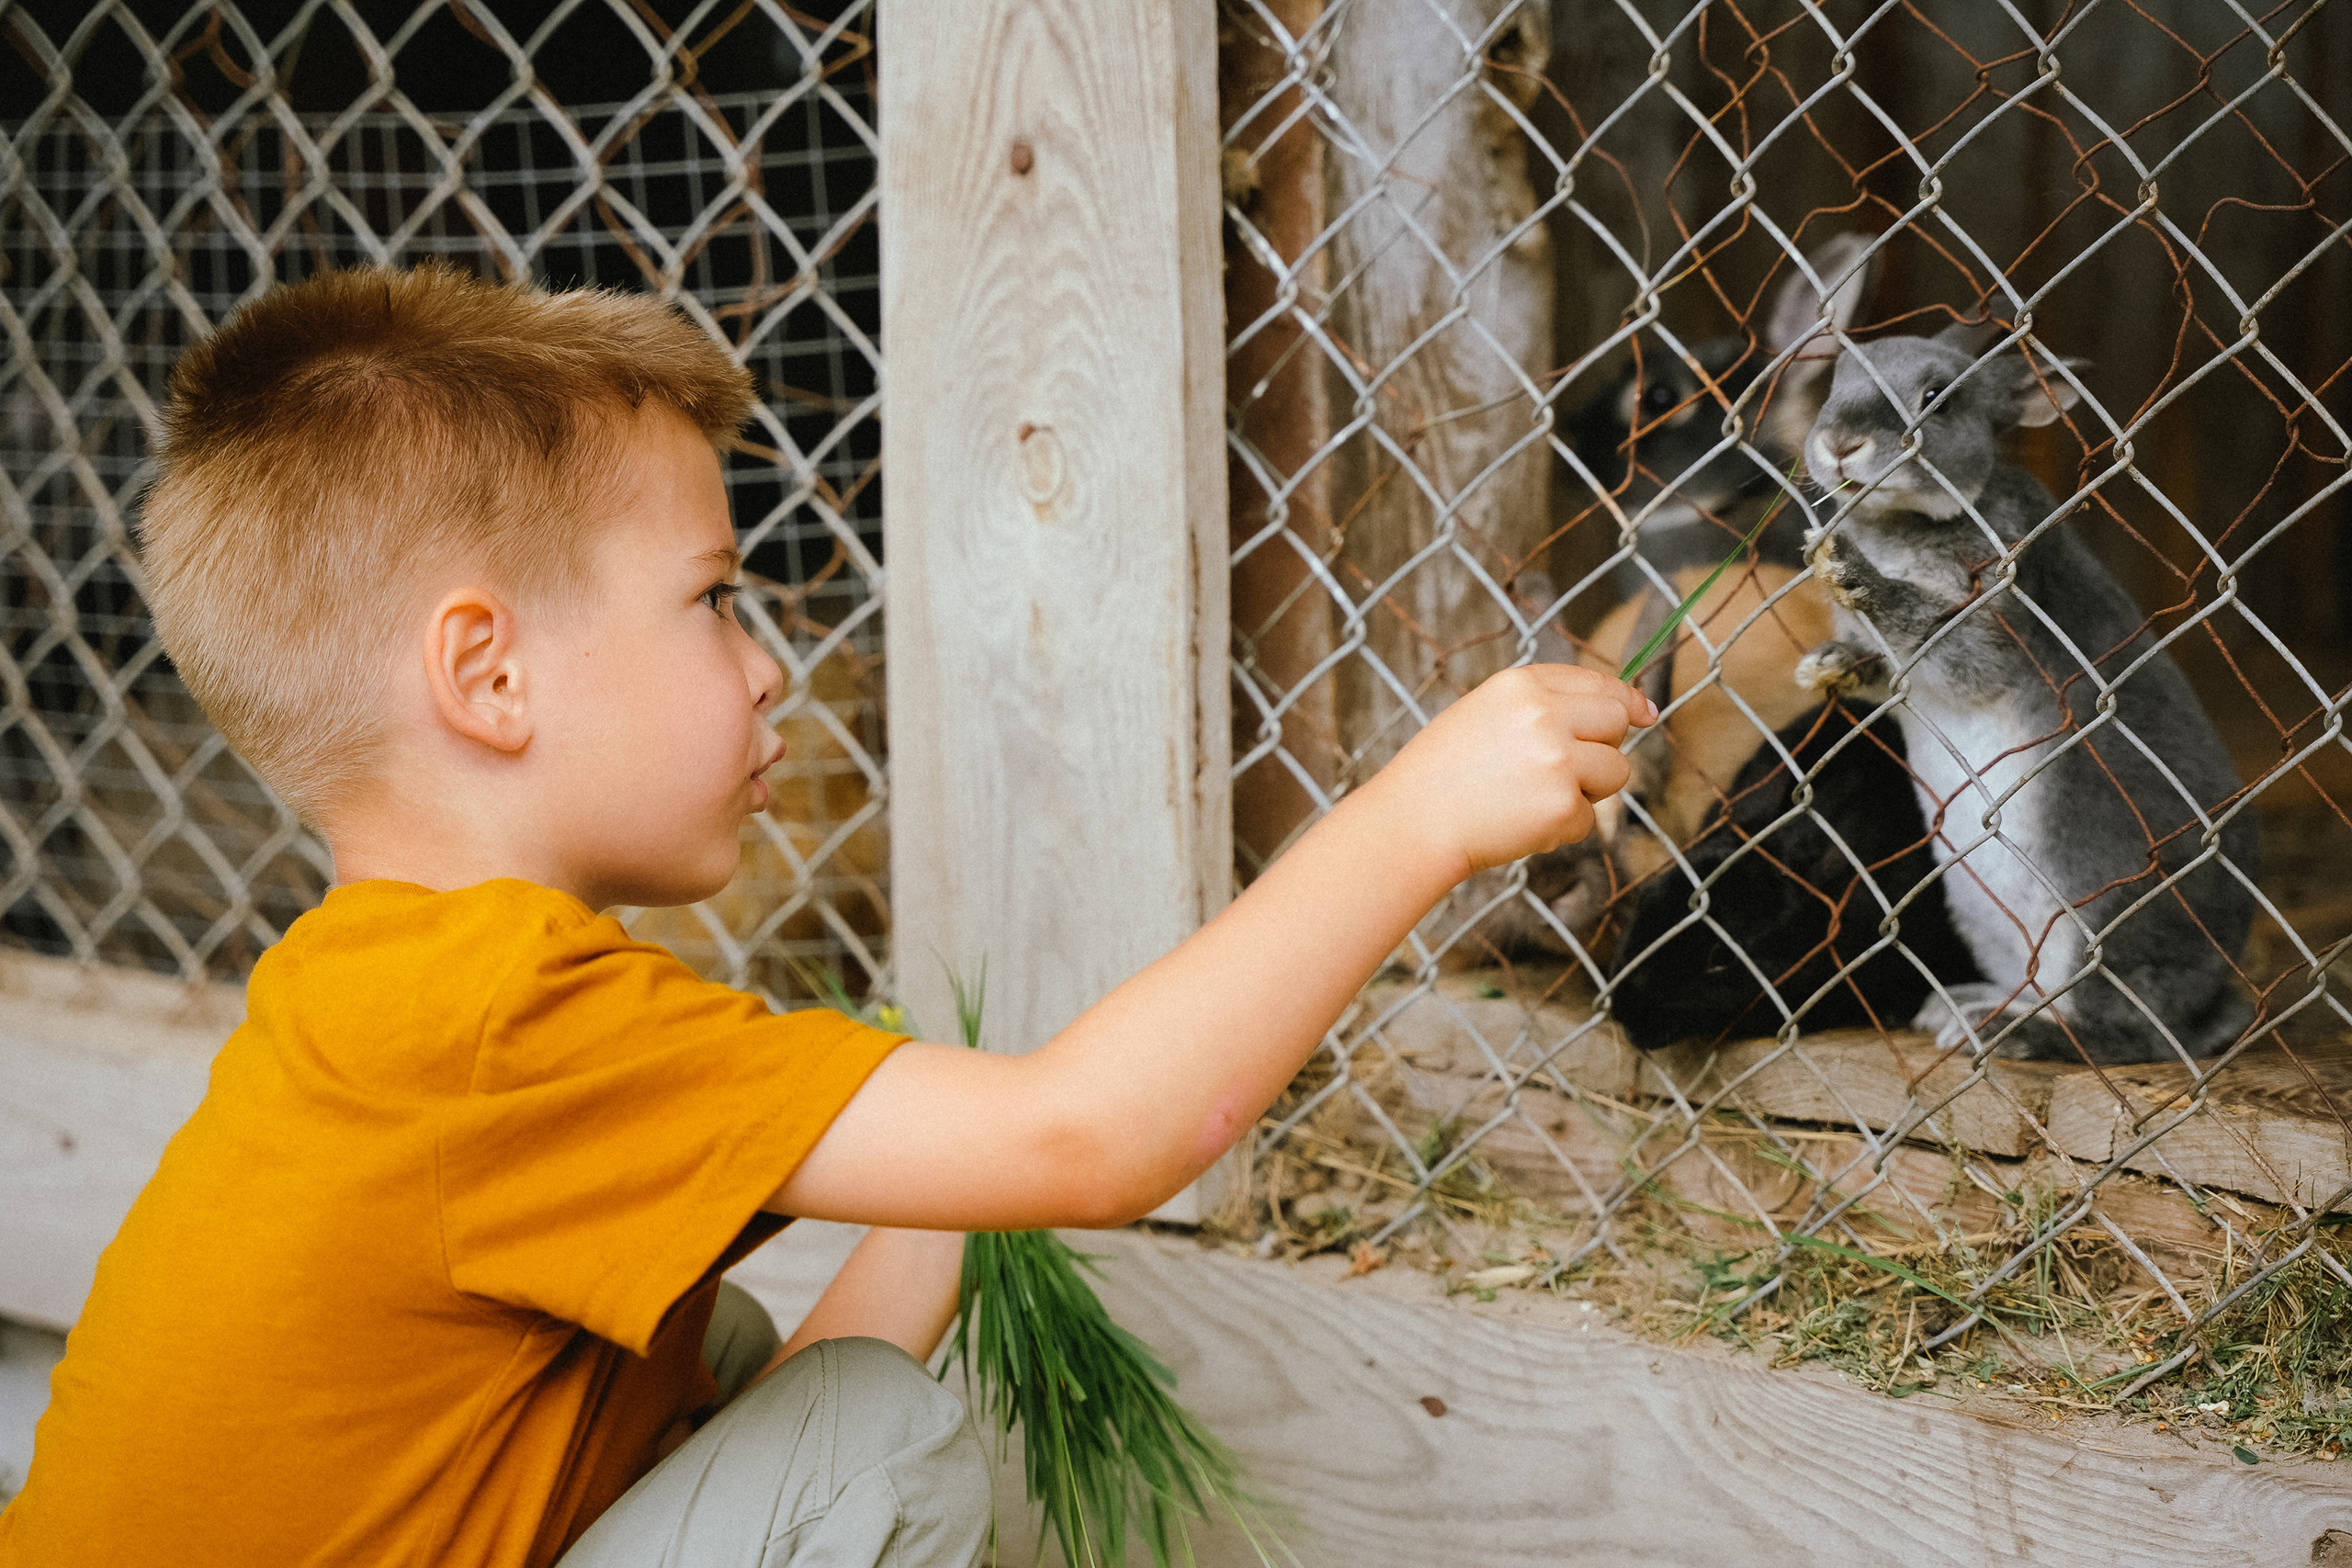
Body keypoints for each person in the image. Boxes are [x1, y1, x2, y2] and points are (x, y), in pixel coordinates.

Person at [0, 265, 1653, 1568]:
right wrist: (1419, 814)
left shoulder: (384, 999)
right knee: (875, 1446)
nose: (770, 658)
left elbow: (1000, 1184)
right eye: (714, 597)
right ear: (488, 675)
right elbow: (1096, 1144)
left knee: (703, 1339)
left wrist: (959, 1162)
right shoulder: (494, 1015)